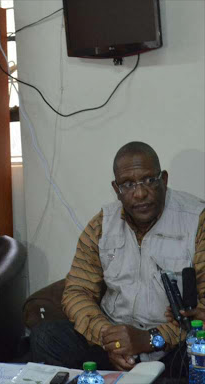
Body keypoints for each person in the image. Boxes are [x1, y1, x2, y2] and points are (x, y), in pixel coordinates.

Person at [30, 142, 205, 376]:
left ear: (163, 179)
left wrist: (153, 339)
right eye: (128, 184)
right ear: (116, 189)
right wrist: (110, 338)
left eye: (149, 180)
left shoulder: (196, 220)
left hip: (174, 345)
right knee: (46, 337)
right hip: (115, 342)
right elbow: (77, 291)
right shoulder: (102, 224)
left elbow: (202, 309)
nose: (140, 193)